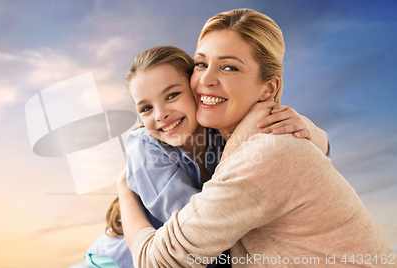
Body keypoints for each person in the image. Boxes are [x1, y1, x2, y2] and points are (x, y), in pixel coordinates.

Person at [119, 9, 395, 267]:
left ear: (268, 88)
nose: (206, 80)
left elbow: (155, 260)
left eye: (229, 67)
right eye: (201, 64)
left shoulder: (267, 153)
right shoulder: (243, 142)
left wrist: (124, 192)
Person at [73, 44, 331, 267]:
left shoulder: (220, 133)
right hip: (113, 262)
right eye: (146, 108)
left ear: (197, 93)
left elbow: (305, 158)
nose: (160, 114)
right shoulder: (144, 146)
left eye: (172, 95)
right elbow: (200, 227)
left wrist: (310, 130)